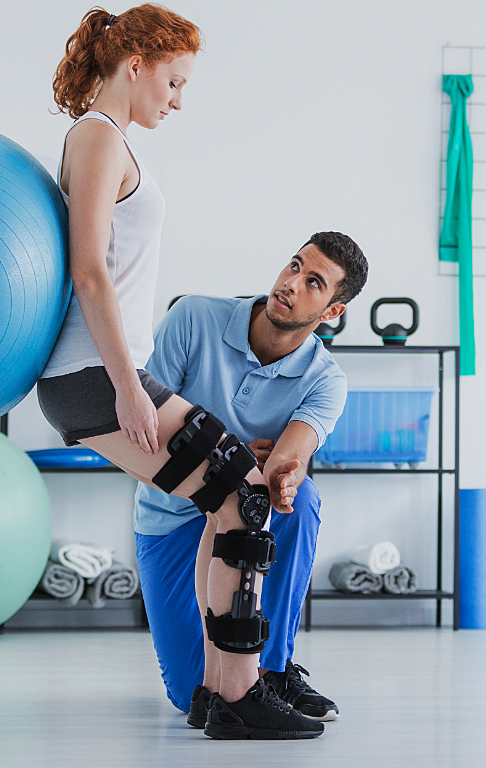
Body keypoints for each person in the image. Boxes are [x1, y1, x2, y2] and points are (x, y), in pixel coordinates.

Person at [38, 5, 327, 739]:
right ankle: (236, 694)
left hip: (98, 372)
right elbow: (89, 273)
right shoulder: (98, 138)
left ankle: (215, 691)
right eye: (173, 80)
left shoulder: (107, 139)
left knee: (232, 499)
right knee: (244, 497)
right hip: (95, 373)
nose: (177, 98)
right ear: (134, 67)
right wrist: (131, 387)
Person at [134, 232, 368, 727]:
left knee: (297, 497)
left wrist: (276, 466)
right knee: (192, 692)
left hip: (247, 518)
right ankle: (250, 676)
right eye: (293, 266)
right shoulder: (194, 318)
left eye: (313, 282)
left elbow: (289, 458)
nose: (290, 284)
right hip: (170, 519)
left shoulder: (326, 380)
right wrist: (235, 452)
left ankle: (275, 672)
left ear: (332, 313)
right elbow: (142, 432)